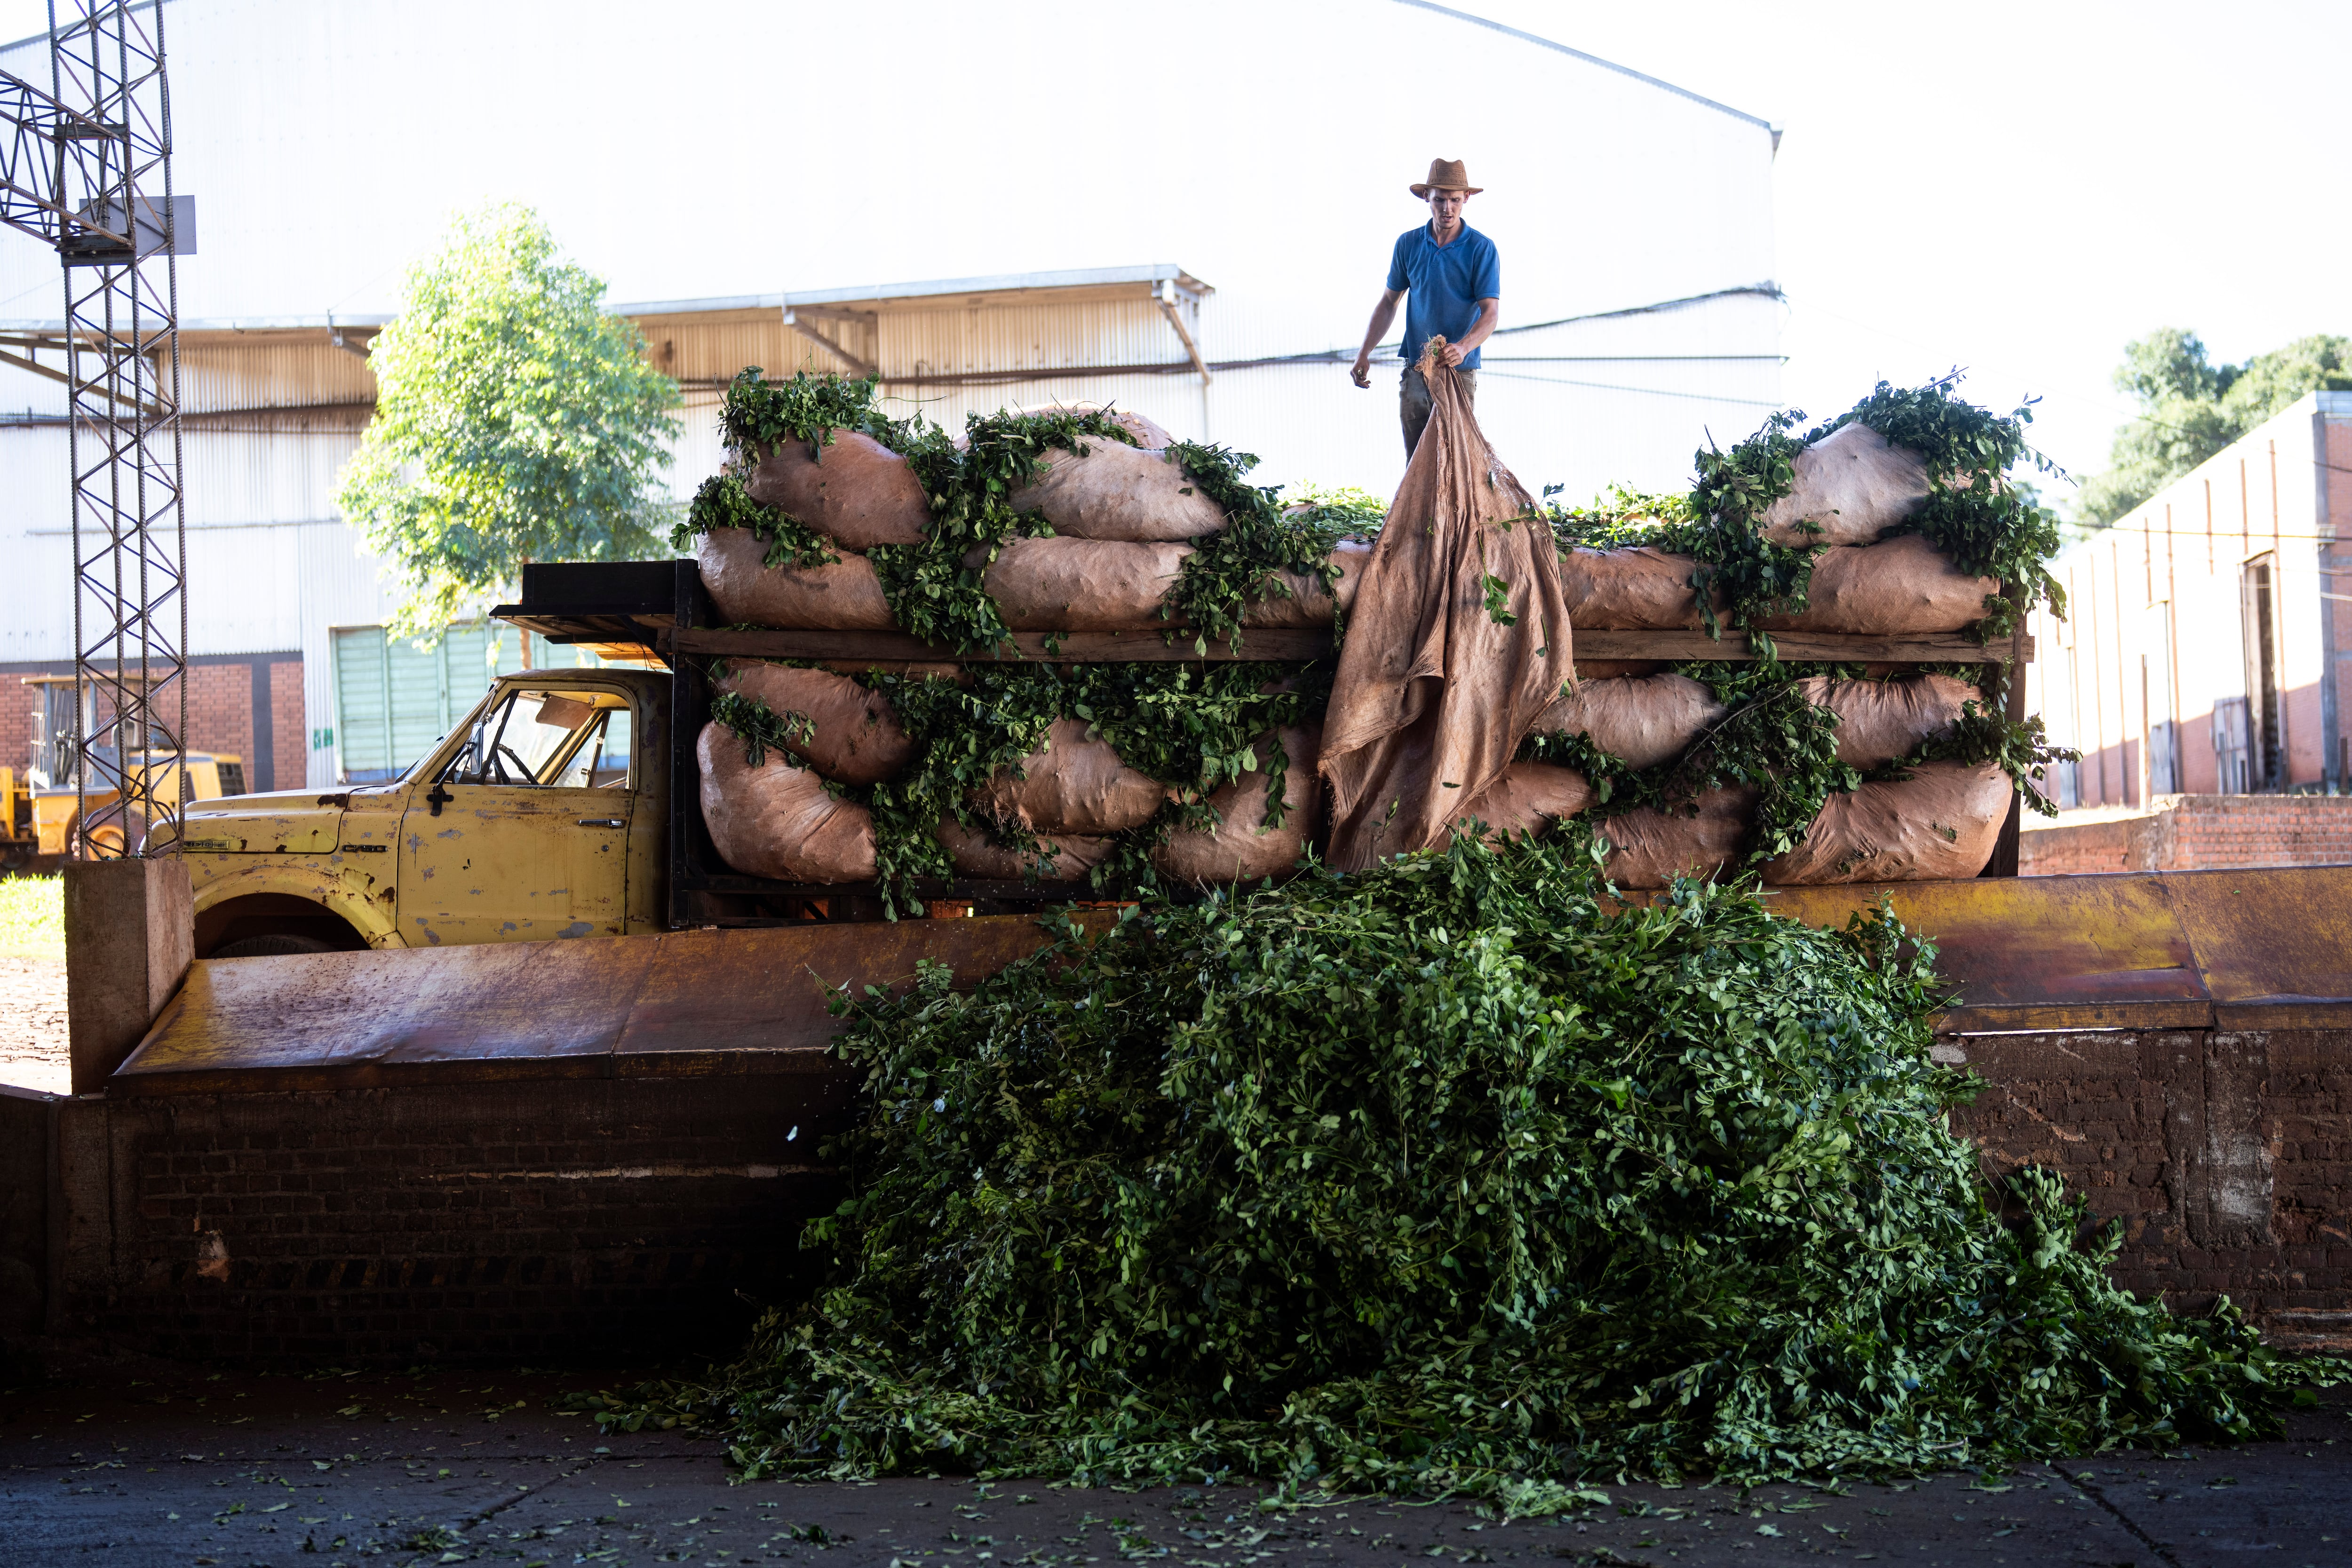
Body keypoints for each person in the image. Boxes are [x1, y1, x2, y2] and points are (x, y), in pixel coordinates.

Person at [1350, 159, 1501, 458]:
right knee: (1417, 461)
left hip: (1459, 372)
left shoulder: (1481, 248)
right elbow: (1389, 302)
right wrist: (1364, 352)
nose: (1448, 208)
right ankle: (1417, 508)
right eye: (1440, 200)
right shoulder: (1408, 245)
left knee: (1457, 463)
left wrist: (1464, 346)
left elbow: (1491, 313)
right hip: (1416, 370)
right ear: (1426, 197)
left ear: (1466, 199)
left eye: (1455, 200)